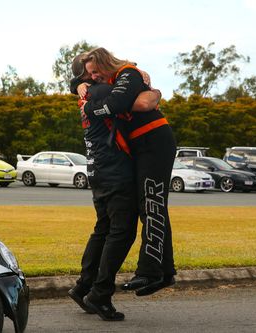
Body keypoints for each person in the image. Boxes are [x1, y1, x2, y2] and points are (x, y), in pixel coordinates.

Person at [68, 53, 161, 321]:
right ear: (85, 76)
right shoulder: (104, 90)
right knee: (122, 232)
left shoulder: (86, 93)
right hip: (115, 170)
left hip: (97, 169)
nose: (98, 75)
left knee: (104, 229)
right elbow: (145, 102)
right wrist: (155, 89)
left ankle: (83, 286)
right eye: (93, 73)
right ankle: (100, 293)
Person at [80, 47, 177, 297]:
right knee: (150, 204)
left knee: (152, 203)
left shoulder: (128, 73)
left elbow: (129, 103)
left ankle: (150, 272)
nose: (92, 78)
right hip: (140, 145)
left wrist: (91, 107)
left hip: (155, 140)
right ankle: (163, 272)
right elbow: (84, 83)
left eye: (94, 72)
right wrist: (78, 86)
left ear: (104, 64)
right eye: (87, 75)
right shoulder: (106, 81)